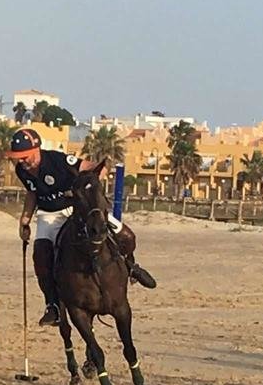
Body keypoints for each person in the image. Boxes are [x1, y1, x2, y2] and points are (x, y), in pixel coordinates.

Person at [8, 127, 156, 327]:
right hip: (49, 215)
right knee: (41, 256)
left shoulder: (57, 161)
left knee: (125, 235)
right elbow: (32, 193)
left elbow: (96, 167)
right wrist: (25, 219)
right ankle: (52, 305)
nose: (22, 161)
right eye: (18, 157)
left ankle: (131, 267)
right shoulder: (22, 170)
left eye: (24, 156)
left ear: (37, 149)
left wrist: (88, 187)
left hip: (78, 209)